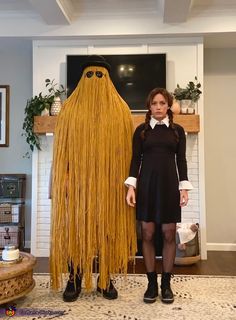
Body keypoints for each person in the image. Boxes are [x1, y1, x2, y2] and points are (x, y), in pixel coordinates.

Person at [50, 55, 137, 302]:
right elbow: (62, 150)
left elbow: (127, 152)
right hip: (77, 185)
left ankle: (105, 278)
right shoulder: (69, 110)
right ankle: (74, 278)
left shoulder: (121, 110)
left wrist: (126, 183)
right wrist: (64, 178)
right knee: (76, 230)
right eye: (90, 75)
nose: (95, 80)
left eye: (100, 75)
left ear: (108, 79)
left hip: (110, 186)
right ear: (82, 78)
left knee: (108, 231)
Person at [125, 87, 193, 304]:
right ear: (149, 107)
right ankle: (151, 283)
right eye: (154, 103)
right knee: (146, 233)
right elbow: (135, 160)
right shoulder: (141, 131)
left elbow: (181, 160)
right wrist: (131, 187)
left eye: (162, 103)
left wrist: (183, 188)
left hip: (169, 185)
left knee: (169, 233)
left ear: (168, 106)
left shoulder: (177, 131)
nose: (158, 107)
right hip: (146, 185)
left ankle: (166, 284)